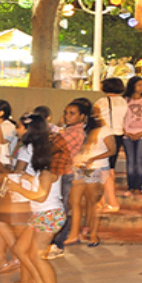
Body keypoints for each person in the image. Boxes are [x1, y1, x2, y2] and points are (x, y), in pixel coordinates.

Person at [4, 113, 68, 283]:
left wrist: (18, 188)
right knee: (22, 249)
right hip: (41, 214)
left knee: (38, 255)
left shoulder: (47, 171)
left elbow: (41, 196)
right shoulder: (43, 171)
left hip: (48, 214)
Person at [64, 103, 113, 248]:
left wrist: (93, 159)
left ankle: (93, 233)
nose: (67, 116)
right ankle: (75, 234)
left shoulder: (103, 130)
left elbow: (112, 150)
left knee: (92, 202)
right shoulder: (77, 130)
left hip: (94, 168)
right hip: (80, 167)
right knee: (75, 202)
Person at [46, 100, 89, 260]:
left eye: (72, 113)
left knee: (61, 208)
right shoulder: (67, 131)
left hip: (65, 173)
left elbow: (54, 148)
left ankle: (58, 243)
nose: (67, 116)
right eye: (66, 113)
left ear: (82, 116)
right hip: (62, 172)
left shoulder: (73, 133)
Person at [93, 78, 127, 212]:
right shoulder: (123, 102)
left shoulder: (100, 102)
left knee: (104, 168)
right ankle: (105, 200)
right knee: (110, 167)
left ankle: (107, 201)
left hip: (104, 135)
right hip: (118, 134)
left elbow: (96, 119)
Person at [121, 76, 142, 196]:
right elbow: (121, 118)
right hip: (127, 133)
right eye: (139, 85)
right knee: (130, 160)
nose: (141, 88)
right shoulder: (125, 100)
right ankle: (131, 186)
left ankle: (138, 186)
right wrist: (125, 132)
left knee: (139, 160)